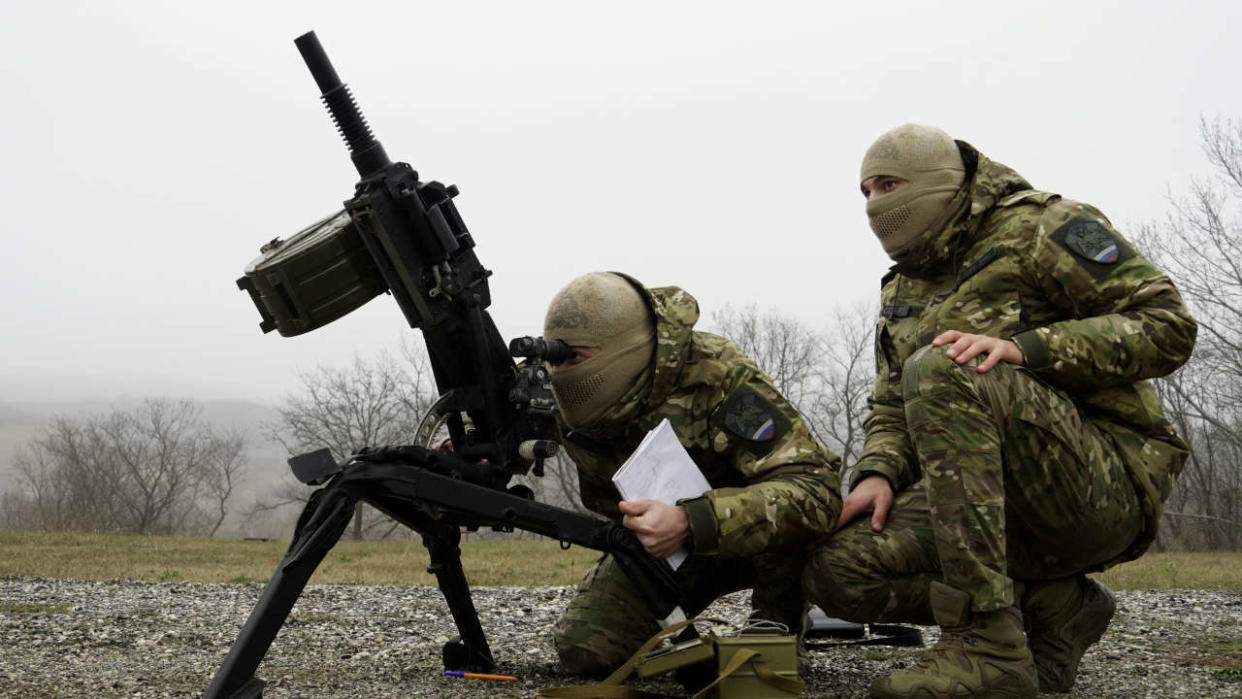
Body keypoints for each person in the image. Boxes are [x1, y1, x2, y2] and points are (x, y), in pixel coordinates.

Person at [803, 124, 1197, 698]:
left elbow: (1168, 326)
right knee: (836, 567)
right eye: (865, 191)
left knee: (943, 366)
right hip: (982, 506)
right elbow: (890, 403)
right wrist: (877, 472)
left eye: (888, 185)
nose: (875, 205)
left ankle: (987, 646)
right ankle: (1053, 609)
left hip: (1098, 486)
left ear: (939, 183)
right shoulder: (901, 290)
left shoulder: (1042, 227)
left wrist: (1028, 349)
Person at [542, 271, 842, 675]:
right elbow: (511, 441)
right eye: (555, 358)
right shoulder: (555, 384)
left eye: (574, 356)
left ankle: (778, 619)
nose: (561, 369)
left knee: (763, 667)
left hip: (757, 545)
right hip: (660, 547)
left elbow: (815, 489)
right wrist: (470, 445)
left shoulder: (717, 378)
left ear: (623, 350)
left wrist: (691, 520)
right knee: (586, 649)